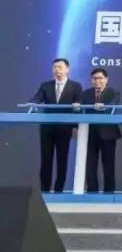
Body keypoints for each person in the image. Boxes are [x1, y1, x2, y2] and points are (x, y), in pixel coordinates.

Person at [30, 58, 83, 192]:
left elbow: (80, 105)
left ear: (67, 70)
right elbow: (36, 99)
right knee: (46, 159)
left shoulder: (76, 86)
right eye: (54, 67)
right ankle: (45, 189)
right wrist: (32, 104)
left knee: (62, 159)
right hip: (47, 129)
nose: (56, 70)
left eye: (60, 67)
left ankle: (59, 189)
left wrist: (75, 126)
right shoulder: (45, 85)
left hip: (65, 129)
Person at [81, 68, 121, 193]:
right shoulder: (85, 93)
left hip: (108, 133)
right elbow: (81, 109)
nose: (97, 80)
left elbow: (112, 106)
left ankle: (109, 191)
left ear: (106, 79)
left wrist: (103, 107)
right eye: (95, 78)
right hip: (90, 133)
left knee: (108, 164)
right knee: (90, 164)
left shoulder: (113, 92)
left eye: (100, 78)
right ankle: (92, 191)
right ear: (91, 80)